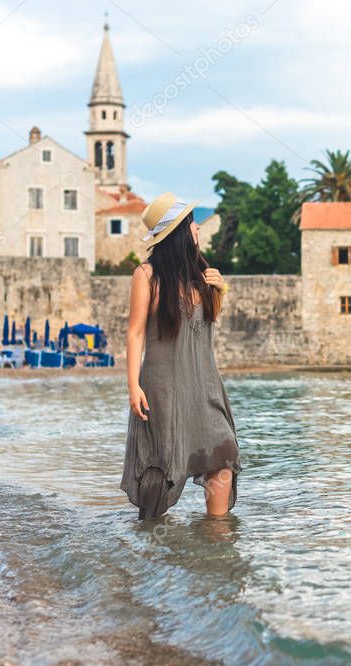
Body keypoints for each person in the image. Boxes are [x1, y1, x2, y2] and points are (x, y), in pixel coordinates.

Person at [120, 192, 242, 520]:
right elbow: (135, 332)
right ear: (179, 233)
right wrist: (133, 386)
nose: (198, 230)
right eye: (193, 225)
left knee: (222, 453)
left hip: (205, 384)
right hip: (162, 386)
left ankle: (217, 541)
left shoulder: (204, 276)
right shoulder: (145, 276)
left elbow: (204, 326)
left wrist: (220, 291)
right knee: (161, 466)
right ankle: (150, 550)